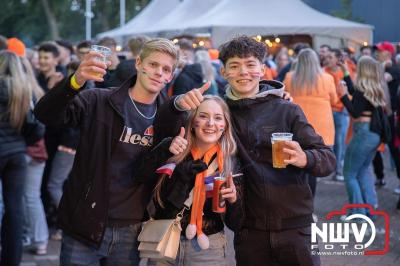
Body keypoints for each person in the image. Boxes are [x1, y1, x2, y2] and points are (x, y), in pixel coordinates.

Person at [157, 36, 336, 266]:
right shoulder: (220, 115)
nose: (244, 72)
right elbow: (169, 128)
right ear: (224, 71)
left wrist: (305, 158)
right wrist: (178, 104)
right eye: (235, 65)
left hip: (295, 226)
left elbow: (328, 159)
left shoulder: (287, 110)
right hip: (249, 231)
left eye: (250, 64)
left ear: (262, 69)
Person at [34, 38, 179, 265]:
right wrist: (76, 80)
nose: (158, 72)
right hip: (85, 222)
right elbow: (45, 114)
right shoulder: (99, 100)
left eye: (166, 69)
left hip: (132, 228)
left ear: (171, 76)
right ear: (138, 63)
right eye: (153, 64)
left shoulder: (167, 118)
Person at [140, 95, 241, 265]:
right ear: (192, 122)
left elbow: (236, 223)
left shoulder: (231, 163)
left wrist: (233, 201)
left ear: (225, 126)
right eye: (203, 116)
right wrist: (180, 178)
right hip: (165, 241)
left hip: (208, 251)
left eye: (218, 118)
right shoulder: (175, 151)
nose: (210, 124)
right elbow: (142, 180)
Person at [0, 51, 44, 266]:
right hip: (16, 154)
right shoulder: (25, 90)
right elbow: (37, 128)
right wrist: (21, 142)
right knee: (14, 208)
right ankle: (12, 260)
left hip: (11, 150)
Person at [337, 56, 387, 216]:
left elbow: (354, 111)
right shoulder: (374, 88)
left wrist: (343, 96)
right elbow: (356, 94)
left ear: (363, 70)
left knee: (350, 174)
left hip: (364, 133)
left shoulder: (363, 90)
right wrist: (345, 71)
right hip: (374, 134)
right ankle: (369, 209)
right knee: (363, 171)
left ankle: (358, 213)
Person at [284, 48, 337, 195]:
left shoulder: (289, 77)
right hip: (322, 127)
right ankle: (309, 204)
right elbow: (335, 100)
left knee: (297, 163)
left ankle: (298, 201)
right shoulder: (327, 78)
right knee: (313, 164)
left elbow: (283, 98)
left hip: (297, 126)